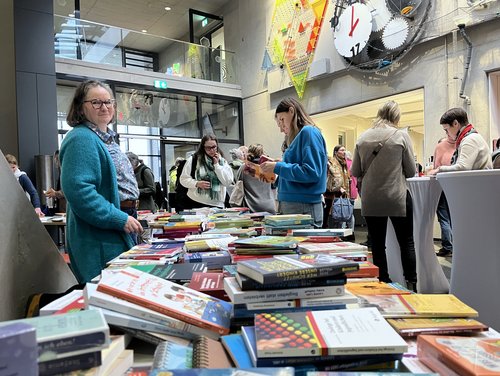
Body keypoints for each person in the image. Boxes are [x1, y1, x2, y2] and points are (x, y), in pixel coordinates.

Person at [60, 79, 142, 283]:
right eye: (96, 102)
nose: (104, 107)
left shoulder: (104, 137)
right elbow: (80, 192)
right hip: (101, 231)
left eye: (109, 102)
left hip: (121, 220)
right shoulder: (81, 138)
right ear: (81, 107)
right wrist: (118, 218)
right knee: (109, 295)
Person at [351, 101, 417, 290]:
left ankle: (384, 284)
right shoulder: (401, 136)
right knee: (407, 243)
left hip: (372, 200)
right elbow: (411, 171)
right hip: (397, 197)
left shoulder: (362, 137)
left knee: (378, 245)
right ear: (396, 117)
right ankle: (411, 285)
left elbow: (355, 170)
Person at [260, 97, 327, 228]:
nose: (281, 128)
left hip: (303, 207)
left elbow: (311, 172)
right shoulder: (299, 137)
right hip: (294, 206)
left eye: (282, 120)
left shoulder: (309, 132)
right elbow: (298, 171)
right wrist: (275, 177)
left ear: (291, 111)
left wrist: (278, 167)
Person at [428, 107, 492, 174]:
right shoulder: (470, 137)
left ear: (455, 123)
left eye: (446, 129)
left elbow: (463, 167)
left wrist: (439, 170)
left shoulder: (470, 139)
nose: (446, 133)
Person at [179, 134, 233, 209]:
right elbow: (183, 179)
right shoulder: (194, 160)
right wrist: (196, 183)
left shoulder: (222, 161)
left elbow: (227, 182)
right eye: (208, 148)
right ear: (203, 147)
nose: (211, 150)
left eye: (214, 147)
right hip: (196, 202)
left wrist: (217, 165)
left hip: (218, 204)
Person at [235, 143, 276, 214]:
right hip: (269, 206)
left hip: (252, 207)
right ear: (262, 153)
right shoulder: (268, 167)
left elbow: (237, 182)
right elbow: (274, 185)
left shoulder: (244, 167)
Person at [432, 136, 456, 257]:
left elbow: (435, 169)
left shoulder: (440, 150)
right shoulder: (455, 151)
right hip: (453, 188)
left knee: (443, 218)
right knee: (452, 218)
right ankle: (454, 245)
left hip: (441, 187)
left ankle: (447, 246)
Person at [323, 145, 351, 229]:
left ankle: (339, 231)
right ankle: (326, 228)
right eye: (342, 150)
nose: (344, 152)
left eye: (344, 150)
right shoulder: (331, 162)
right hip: (331, 192)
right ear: (336, 152)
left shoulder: (344, 163)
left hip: (342, 193)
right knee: (328, 212)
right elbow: (333, 176)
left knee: (340, 213)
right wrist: (339, 187)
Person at [44, 149, 66, 214]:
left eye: (57, 158)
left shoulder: (66, 172)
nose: (56, 161)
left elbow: (70, 190)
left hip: (67, 210)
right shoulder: (61, 171)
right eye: (55, 158)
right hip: (62, 209)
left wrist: (55, 193)